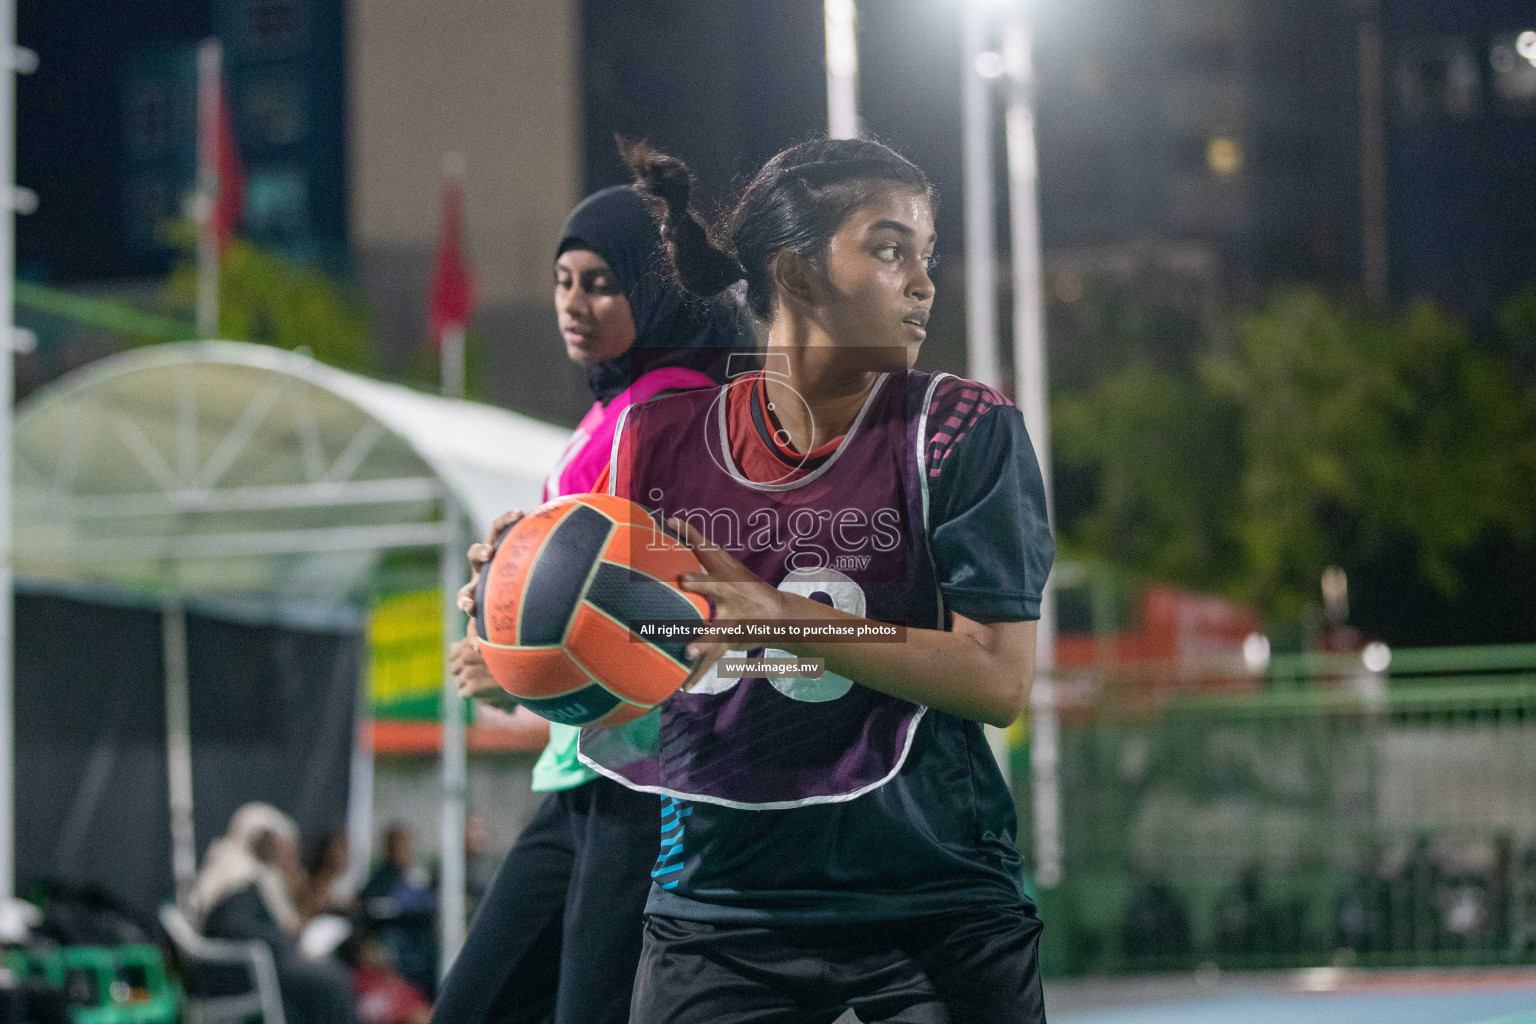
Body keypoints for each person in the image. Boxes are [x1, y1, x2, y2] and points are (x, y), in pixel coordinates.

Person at [569, 137, 1054, 1022]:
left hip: (932, 897)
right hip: (722, 901)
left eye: (926, 255)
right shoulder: (660, 440)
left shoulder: (959, 430)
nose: (922, 281)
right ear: (794, 272)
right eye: (888, 246)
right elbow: (628, 669)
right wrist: (528, 627)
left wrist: (777, 615)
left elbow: (997, 678)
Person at [433, 180, 750, 1024]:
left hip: (650, 783)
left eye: (602, 282)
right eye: (563, 279)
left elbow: (677, 613)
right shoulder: (613, 412)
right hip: (584, 776)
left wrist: (526, 666)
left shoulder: (674, 414)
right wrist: (507, 593)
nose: (574, 303)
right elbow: (569, 580)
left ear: (656, 289)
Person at [191, 803, 358, 1024]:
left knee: (330, 974)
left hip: (260, 966)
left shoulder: (256, 876)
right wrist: (289, 943)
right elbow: (236, 927)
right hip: (241, 973)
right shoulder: (237, 876)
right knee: (331, 981)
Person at [359, 825, 436, 1000]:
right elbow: (369, 907)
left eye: (406, 845)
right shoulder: (380, 878)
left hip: (420, 948)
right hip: (394, 948)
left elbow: (428, 905)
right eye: (398, 845)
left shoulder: (418, 876)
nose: (403, 850)